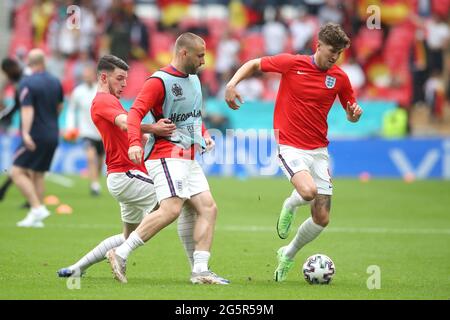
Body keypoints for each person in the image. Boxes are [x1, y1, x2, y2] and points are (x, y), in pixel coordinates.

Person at [225, 23, 363, 282]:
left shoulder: (340, 78)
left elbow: (350, 110)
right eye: (331, 50)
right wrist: (232, 84)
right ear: (318, 45)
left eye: (339, 53)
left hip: (319, 149)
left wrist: (354, 114)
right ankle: (290, 204)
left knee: (322, 218)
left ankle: (287, 254)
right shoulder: (292, 63)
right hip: (289, 144)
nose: (334, 56)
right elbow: (254, 64)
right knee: (308, 192)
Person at [57, 54, 198, 278]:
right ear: (103, 77)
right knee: (180, 203)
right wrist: (154, 129)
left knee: (128, 236)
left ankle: (77, 269)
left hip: (123, 176)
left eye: (126, 79)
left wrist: (145, 137)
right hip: (128, 175)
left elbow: (129, 129)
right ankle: (198, 269)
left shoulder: (111, 101)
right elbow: (126, 124)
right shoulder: (103, 101)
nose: (124, 84)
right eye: (120, 79)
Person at [106, 33, 229, 285]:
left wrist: (204, 134)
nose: (204, 61)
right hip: (165, 154)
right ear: (184, 53)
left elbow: (194, 116)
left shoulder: (194, 80)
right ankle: (120, 253)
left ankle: (201, 270)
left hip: (188, 155)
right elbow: (134, 115)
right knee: (171, 208)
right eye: (200, 55)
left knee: (208, 208)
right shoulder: (158, 81)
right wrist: (133, 144)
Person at [13, 49, 64, 228]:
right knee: (38, 174)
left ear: (29, 63)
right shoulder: (55, 81)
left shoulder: (27, 82)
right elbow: (59, 107)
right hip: (52, 133)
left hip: (35, 134)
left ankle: (36, 207)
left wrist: (25, 133)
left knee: (16, 171)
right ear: (44, 62)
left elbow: (27, 109)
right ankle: (37, 217)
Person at [65, 64, 105, 196]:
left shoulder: (101, 90)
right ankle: (94, 185)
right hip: (86, 132)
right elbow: (71, 110)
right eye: (85, 75)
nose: (87, 77)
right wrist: (70, 127)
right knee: (91, 156)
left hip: (100, 132)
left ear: (94, 75)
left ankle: (95, 181)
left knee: (100, 159)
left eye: (89, 75)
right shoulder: (78, 92)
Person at [0, 58, 25, 203]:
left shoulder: (22, 82)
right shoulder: (20, 81)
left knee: (19, 163)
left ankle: (2, 191)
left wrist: (3, 116)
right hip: (29, 129)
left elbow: (16, 106)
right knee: (27, 166)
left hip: (31, 130)